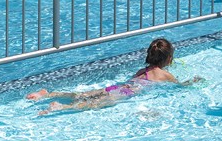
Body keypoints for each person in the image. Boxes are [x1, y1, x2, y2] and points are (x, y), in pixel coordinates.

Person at [26, 38, 200, 113]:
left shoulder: (142, 71)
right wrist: (192, 82)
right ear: (169, 58)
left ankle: (48, 94)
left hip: (118, 88)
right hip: (125, 93)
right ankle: (61, 107)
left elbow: (131, 82)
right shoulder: (165, 75)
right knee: (94, 105)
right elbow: (179, 86)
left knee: (86, 95)